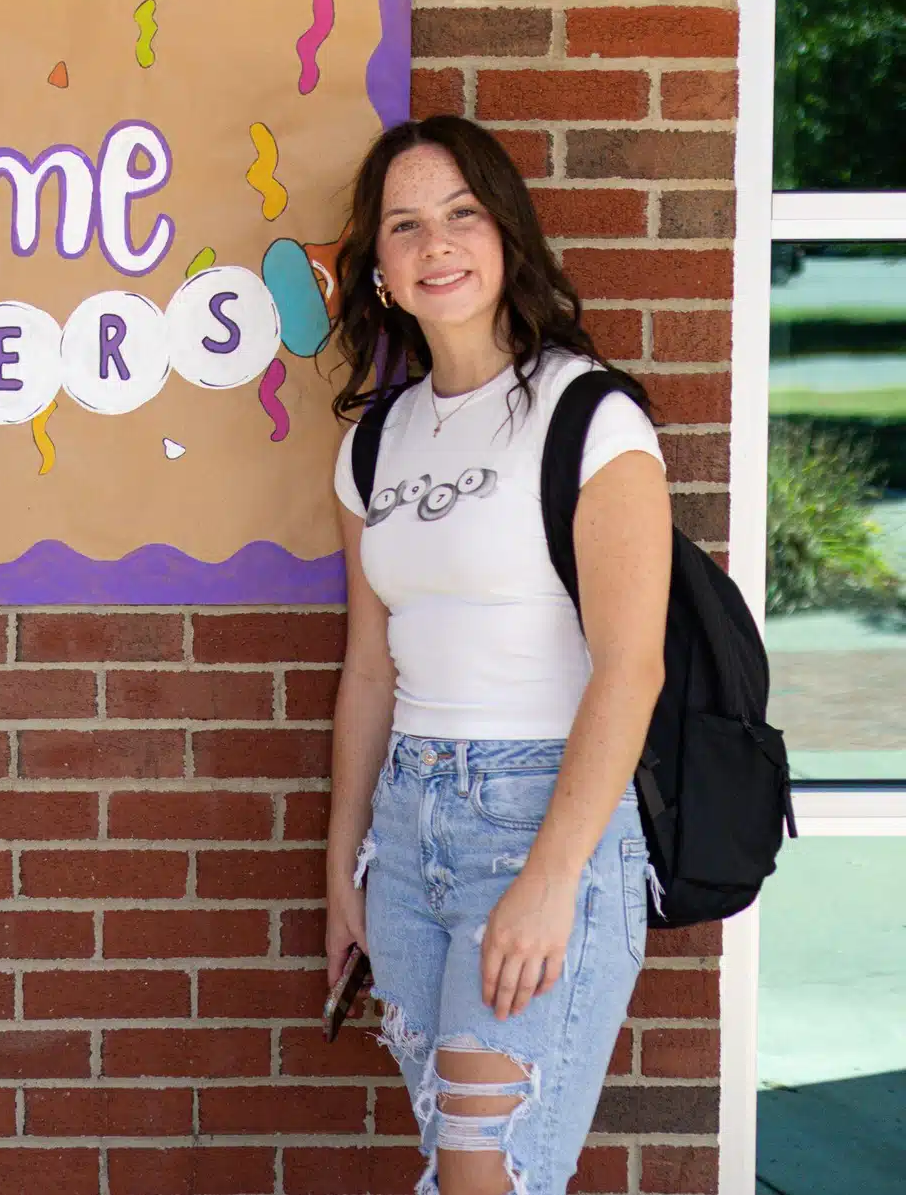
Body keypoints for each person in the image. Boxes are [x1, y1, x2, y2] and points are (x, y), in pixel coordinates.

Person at [321, 115, 671, 1195]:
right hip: (407, 830)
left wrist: (549, 880)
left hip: (536, 822)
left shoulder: (588, 415)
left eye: (462, 214)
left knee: (488, 1172)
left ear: (505, 236)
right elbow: (369, 668)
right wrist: (342, 860)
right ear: (376, 271)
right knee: (457, 1162)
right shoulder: (372, 443)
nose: (436, 245)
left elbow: (630, 666)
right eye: (404, 226)